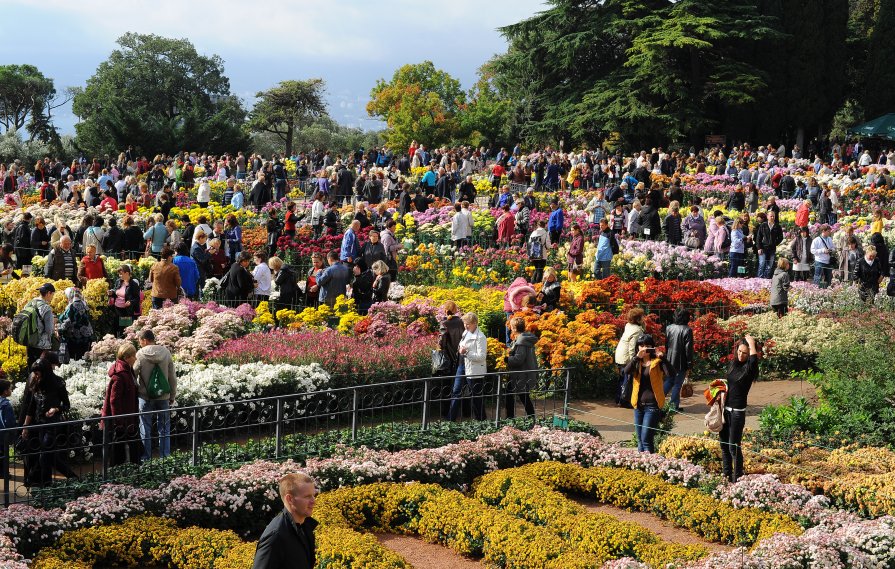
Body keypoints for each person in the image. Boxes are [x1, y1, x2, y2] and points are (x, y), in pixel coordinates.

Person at [21, 356, 78, 486]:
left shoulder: (58, 383)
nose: (35, 375)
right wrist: (25, 426)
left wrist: (56, 409)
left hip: (53, 424)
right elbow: (32, 407)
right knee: (49, 456)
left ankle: (34, 479)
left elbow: (67, 404)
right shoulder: (36, 382)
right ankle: (70, 478)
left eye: (37, 372)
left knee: (45, 453)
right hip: (39, 424)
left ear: (44, 371)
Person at [253, 472, 318, 569]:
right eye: (307, 497)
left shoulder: (305, 526)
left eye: (313, 495)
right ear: (290, 499)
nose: (314, 501)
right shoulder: (276, 536)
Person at [624, 334, 674, 453]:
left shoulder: (657, 362)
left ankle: (651, 464)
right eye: (641, 345)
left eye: (647, 346)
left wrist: (664, 359)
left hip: (652, 405)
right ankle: (642, 466)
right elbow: (625, 371)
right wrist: (636, 358)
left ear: (652, 347)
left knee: (646, 439)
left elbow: (671, 374)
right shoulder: (637, 362)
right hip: (638, 405)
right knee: (640, 440)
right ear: (637, 347)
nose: (644, 348)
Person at [134, 329, 176, 462]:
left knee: (145, 428)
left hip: (145, 397)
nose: (140, 344)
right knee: (164, 428)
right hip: (163, 396)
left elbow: (133, 375)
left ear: (145, 340)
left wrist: (136, 389)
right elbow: (172, 377)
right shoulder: (166, 352)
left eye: (140, 341)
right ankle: (165, 457)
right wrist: (172, 395)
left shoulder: (140, 354)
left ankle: (146, 458)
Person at [722, 335, 759, 483]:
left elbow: (754, 361)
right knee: (724, 445)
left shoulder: (749, 370)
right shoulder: (733, 365)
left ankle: (737, 477)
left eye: (744, 353)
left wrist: (751, 344)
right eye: (739, 351)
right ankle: (726, 476)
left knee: (733, 446)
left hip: (737, 412)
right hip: (726, 410)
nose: (741, 355)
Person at [101, 343, 141, 467]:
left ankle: (131, 470)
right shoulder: (120, 375)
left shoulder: (128, 371)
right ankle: (115, 475)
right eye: (134, 356)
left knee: (131, 448)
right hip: (122, 421)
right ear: (127, 357)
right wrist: (119, 422)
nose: (136, 358)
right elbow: (114, 400)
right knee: (119, 451)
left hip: (129, 418)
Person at [447, 312, 488, 421]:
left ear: (475, 323)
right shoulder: (465, 332)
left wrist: (466, 353)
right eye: (464, 323)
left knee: (476, 395)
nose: (465, 326)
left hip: (474, 368)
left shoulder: (480, 337)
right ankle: (451, 419)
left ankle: (481, 420)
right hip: (462, 365)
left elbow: (482, 356)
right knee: (456, 391)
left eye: (468, 324)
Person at [505, 317, 537, 419]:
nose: (510, 328)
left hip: (520, 374)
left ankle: (513, 418)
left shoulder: (521, 341)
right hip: (523, 372)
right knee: (520, 395)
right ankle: (530, 417)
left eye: (511, 326)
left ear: (514, 328)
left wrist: (507, 359)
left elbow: (519, 359)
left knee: (521, 396)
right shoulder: (525, 338)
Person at [664, 308, 693, 412]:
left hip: (669, 358)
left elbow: (666, 345)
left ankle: (657, 400)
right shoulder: (687, 330)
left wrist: (666, 358)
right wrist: (690, 364)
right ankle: (673, 406)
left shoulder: (669, 328)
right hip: (681, 361)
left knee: (669, 381)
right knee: (677, 384)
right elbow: (688, 350)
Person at [614, 308, 645, 406]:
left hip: (619, 354)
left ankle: (618, 398)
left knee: (622, 378)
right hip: (626, 356)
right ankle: (624, 401)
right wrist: (634, 361)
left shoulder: (629, 325)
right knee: (627, 379)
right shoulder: (637, 330)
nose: (644, 317)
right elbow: (632, 347)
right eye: (642, 316)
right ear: (638, 319)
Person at [57, 287, 93, 361]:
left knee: (75, 359)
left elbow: (69, 321)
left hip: (76, 337)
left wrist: (59, 330)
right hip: (85, 336)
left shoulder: (73, 305)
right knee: (82, 358)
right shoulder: (83, 303)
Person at [755, 210, 783, 278]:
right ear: (767, 217)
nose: (772, 217)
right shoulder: (763, 225)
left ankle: (766, 278)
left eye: (773, 216)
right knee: (762, 264)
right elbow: (758, 237)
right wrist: (759, 248)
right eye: (771, 216)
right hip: (763, 248)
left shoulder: (777, 226)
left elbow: (781, 237)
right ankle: (759, 278)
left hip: (772, 249)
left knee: (770, 265)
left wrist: (775, 243)